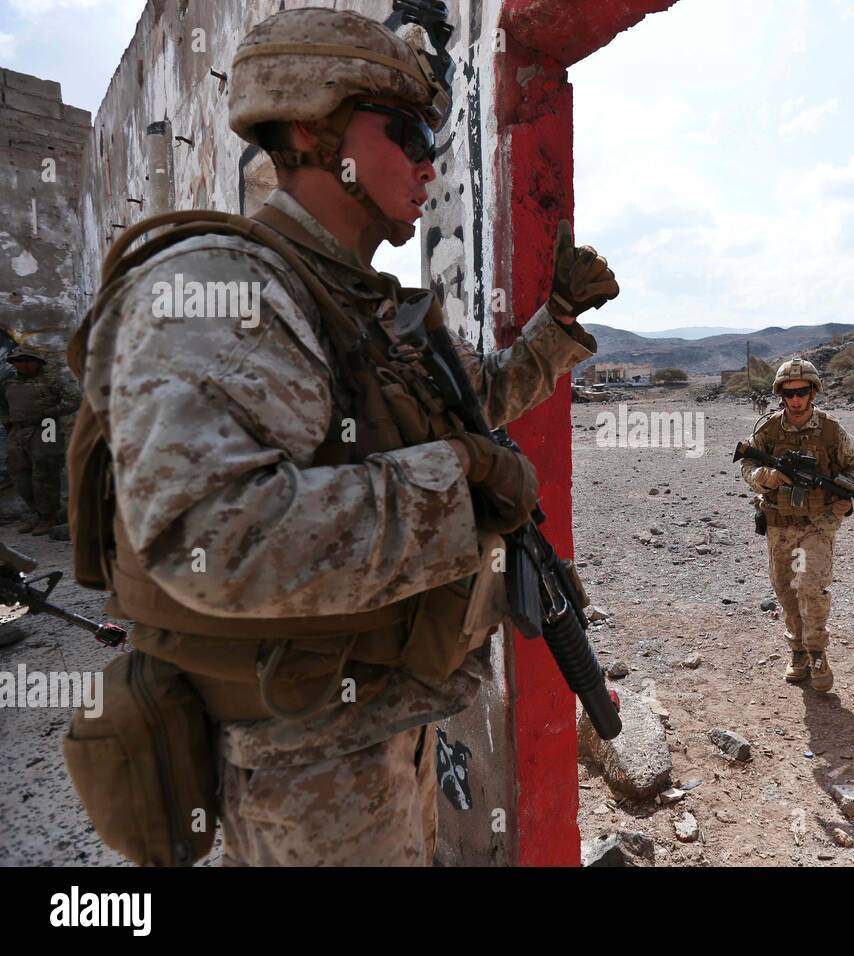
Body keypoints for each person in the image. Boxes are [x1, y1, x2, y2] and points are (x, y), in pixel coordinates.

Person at [69, 7, 617, 866]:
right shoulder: (227, 288)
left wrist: (558, 323)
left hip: (388, 724)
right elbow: (209, 536)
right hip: (303, 765)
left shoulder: (364, 307)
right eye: (406, 131)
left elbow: (476, 400)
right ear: (312, 131)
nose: (429, 160)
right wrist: (461, 482)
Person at [740, 359, 854, 692]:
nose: (796, 399)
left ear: (813, 391)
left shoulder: (831, 431)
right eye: (790, 393)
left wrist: (845, 497)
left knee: (811, 587)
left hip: (818, 524)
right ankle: (797, 652)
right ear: (781, 394)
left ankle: (818, 652)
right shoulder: (766, 430)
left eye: (802, 392)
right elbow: (747, 466)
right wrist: (763, 476)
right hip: (780, 524)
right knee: (786, 591)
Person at [0, 348, 82, 535]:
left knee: (45, 470)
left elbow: (74, 399)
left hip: (46, 426)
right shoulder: (8, 382)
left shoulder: (52, 379)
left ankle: (48, 516)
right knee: (19, 472)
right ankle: (37, 513)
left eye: (29, 360)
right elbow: (2, 404)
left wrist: (49, 412)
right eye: (19, 360)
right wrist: (7, 420)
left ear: (39, 362)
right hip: (18, 429)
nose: (24, 364)